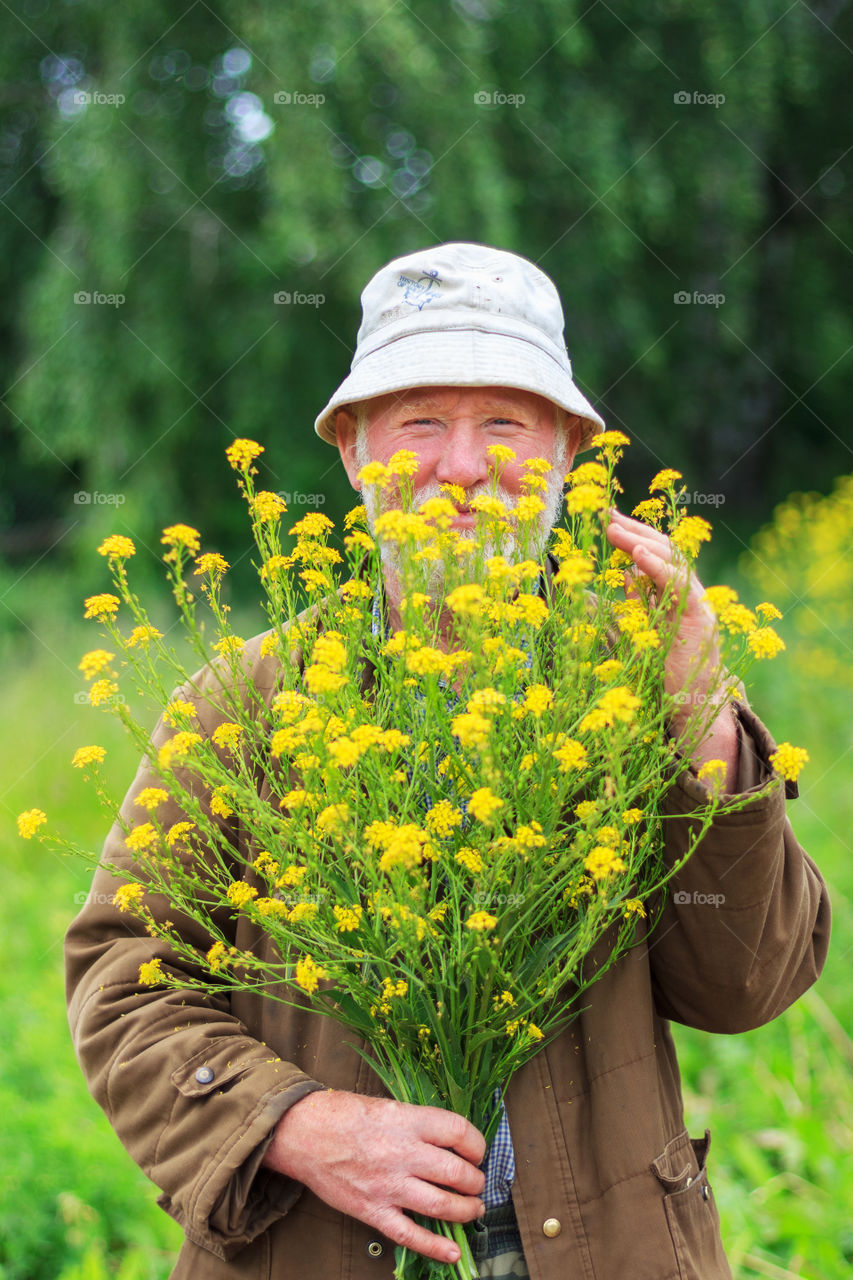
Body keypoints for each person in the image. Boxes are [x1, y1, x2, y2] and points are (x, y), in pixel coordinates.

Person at [65, 243, 830, 1280]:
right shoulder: (239, 703)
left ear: (567, 448)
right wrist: (292, 1120)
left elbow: (744, 985)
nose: (463, 469)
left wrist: (698, 719)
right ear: (350, 447)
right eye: (420, 423)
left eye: (506, 425)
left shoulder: (639, 685)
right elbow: (121, 982)